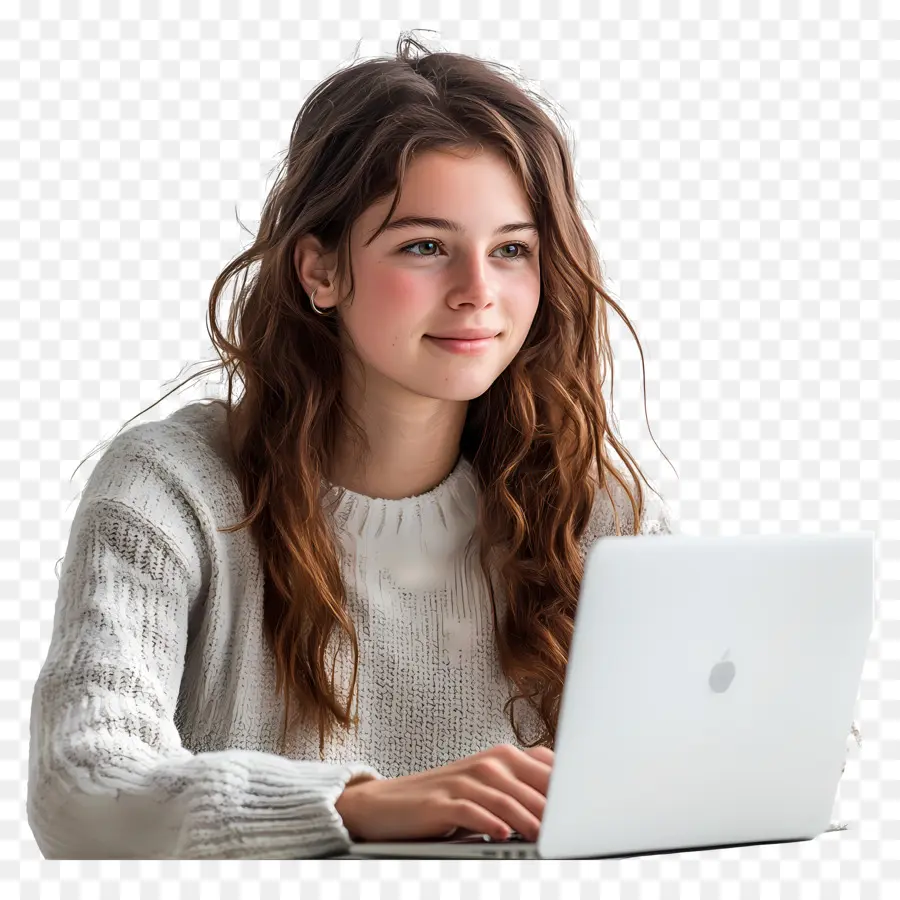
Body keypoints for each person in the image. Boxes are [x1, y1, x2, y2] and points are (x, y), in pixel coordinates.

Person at [27, 32, 683, 860]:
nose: (479, 292)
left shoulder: (596, 509)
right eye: (425, 247)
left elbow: (720, 759)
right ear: (320, 271)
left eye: (512, 250)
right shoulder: (173, 489)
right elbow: (80, 790)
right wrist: (359, 803)